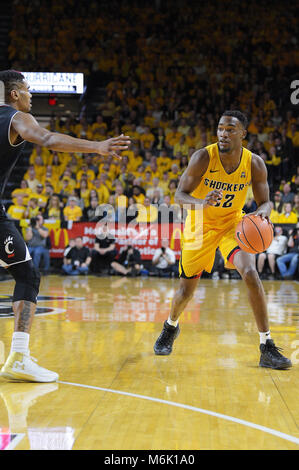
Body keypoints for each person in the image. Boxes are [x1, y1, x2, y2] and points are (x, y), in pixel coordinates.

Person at [0, 70, 130, 383]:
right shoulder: (15, 117)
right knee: (27, 275)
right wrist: (97, 147)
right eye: (28, 90)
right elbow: (47, 139)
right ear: (14, 93)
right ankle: (18, 356)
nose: (32, 96)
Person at [154, 110, 292, 369]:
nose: (223, 134)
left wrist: (262, 215)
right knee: (186, 291)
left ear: (243, 134)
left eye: (230, 129)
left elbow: (265, 203)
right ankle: (171, 325)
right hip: (199, 225)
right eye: (220, 128)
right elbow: (180, 195)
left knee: (251, 273)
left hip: (232, 224)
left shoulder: (254, 164)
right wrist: (201, 202)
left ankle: (267, 346)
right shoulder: (203, 157)